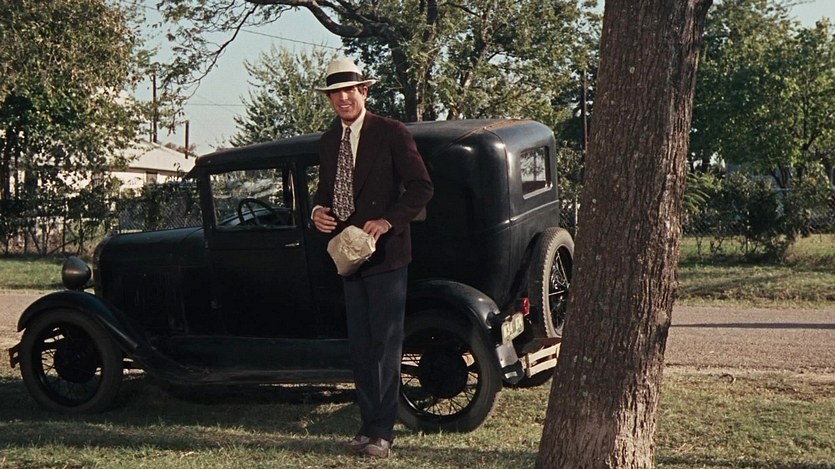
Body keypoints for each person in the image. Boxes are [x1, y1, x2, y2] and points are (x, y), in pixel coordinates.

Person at [311, 57, 433, 458]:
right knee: (361, 346)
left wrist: (388, 220)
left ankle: (383, 432)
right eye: (335, 93)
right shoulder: (329, 140)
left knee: (384, 345)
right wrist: (318, 211)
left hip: (387, 257)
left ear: (364, 91)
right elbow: (326, 190)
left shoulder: (391, 132)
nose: (343, 99)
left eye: (350, 90)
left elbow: (421, 188)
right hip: (348, 258)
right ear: (329, 99)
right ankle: (368, 426)